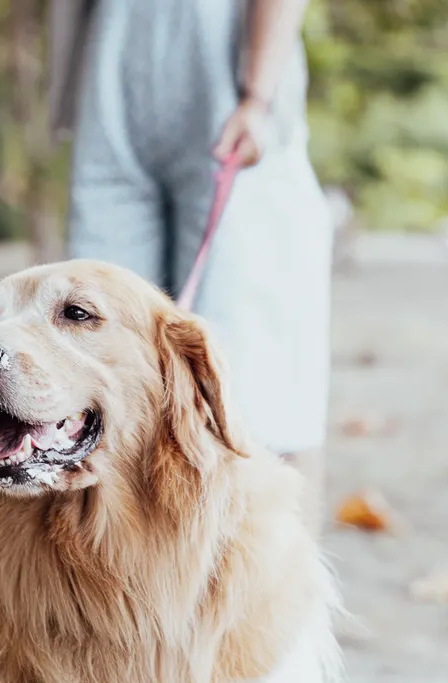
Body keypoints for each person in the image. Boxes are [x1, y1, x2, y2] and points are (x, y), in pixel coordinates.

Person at [48, 0, 332, 528]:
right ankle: (123, 585)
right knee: (92, 348)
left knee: (253, 369)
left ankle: (282, 589)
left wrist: (258, 93)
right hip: (113, 57)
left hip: (227, 61)